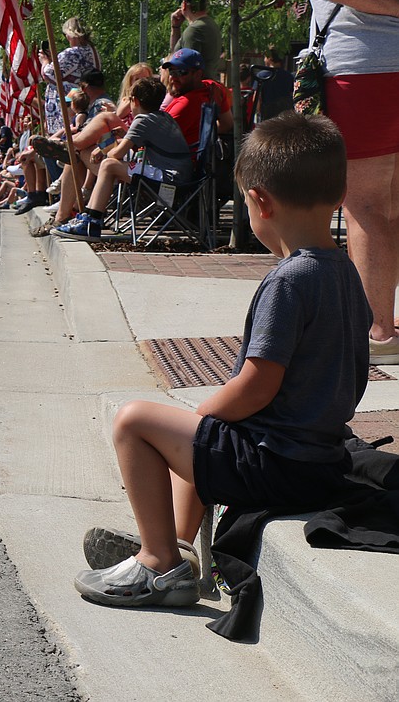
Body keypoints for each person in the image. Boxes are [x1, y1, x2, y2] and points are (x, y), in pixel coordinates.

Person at [73, 113, 369, 608]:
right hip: (321, 459)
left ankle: (158, 565)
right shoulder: (348, 275)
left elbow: (258, 384)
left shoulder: (290, 279)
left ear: (258, 201)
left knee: (137, 422)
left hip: (276, 463)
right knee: (200, 441)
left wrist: (206, 413)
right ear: (339, 196)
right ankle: (183, 548)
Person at [305, 0, 399, 364]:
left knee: (364, 205)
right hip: (383, 71)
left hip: (363, 70)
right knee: (390, 205)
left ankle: (378, 332)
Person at [52, 77, 192, 241]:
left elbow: (116, 154)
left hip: (170, 182)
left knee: (109, 165)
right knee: (109, 164)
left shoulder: (142, 120)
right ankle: (89, 218)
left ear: (135, 101)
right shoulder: (163, 117)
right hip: (180, 177)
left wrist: (103, 149)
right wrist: (124, 138)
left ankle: (91, 222)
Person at [170, 0, 222, 81]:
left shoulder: (193, 30)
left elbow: (185, 66)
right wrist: (176, 27)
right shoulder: (211, 24)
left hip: (193, 92)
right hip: (208, 87)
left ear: (184, 4)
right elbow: (177, 56)